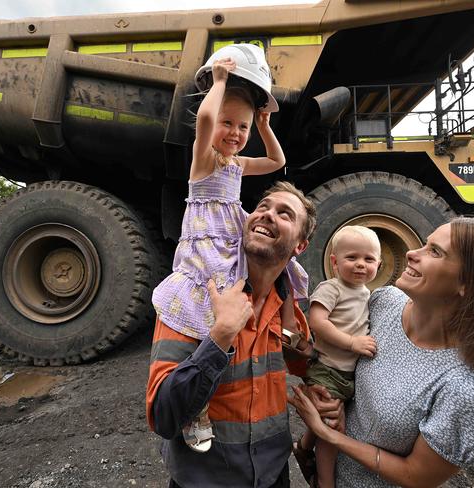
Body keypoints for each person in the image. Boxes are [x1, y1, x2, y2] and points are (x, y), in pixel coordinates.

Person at [289, 217, 474, 487]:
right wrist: (331, 402)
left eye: (435, 251)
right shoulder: (384, 302)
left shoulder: (465, 390)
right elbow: (342, 363)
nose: (410, 253)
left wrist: (331, 435)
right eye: (426, 244)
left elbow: (416, 476)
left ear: (470, 283)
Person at [151, 44, 309, 454]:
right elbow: (205, 118)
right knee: (209, 319)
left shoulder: (237, 165)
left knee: (283, 279)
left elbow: (276, 161)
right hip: (207, 257)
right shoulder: (203, 161)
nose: (235, 134)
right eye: (228, 124)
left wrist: (263, 123)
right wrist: (219, 82)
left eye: (242, 128)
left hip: (231, 251)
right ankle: (195, 407)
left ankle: (290, 335)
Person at [146, 182, 338, 488]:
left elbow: (307, 369)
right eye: (263, 207)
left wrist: (320, 394)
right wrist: (220, 337)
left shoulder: (289, 310)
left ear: (300, 246)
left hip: (274, 475)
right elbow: (163, 415)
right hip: (204, 481)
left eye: (284, 214)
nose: (267, 215)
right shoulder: (193, 299)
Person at [293, 226, 381, 488]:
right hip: (328, 370)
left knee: (326, 421)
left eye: (368, 259)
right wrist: (352, 342)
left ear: (379, 263)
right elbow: (317, 323)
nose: (360, 265)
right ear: (334, 262)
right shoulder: (332, 288)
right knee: (332, 429)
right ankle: (325, 481)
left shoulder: (367, 294)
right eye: (351, 258)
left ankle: (303, 447)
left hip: (346, 373)